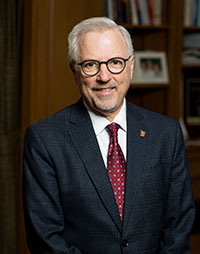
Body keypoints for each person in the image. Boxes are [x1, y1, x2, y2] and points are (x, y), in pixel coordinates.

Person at [23, 17, 195, 254]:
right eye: (91, 65)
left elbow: (178, 226)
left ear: (131, 66)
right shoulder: (44, 139)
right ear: (74, 70)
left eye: (115, 62)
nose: (104, 77)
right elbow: (46, 238)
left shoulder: (167, 133)